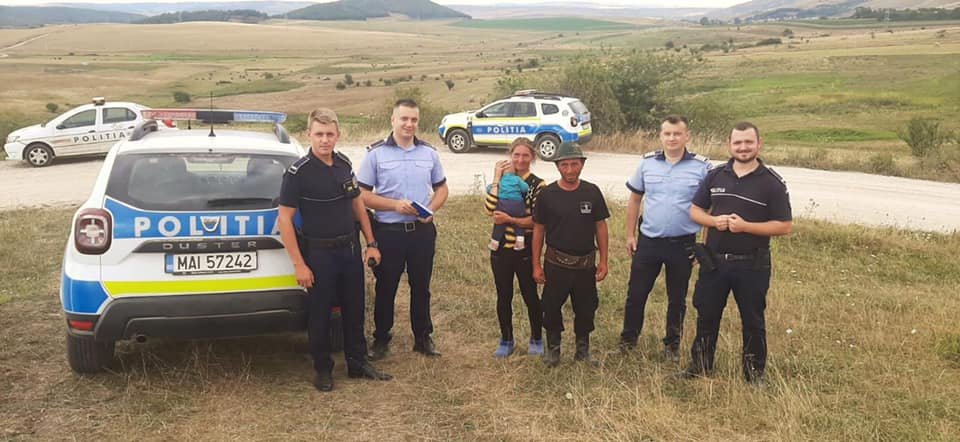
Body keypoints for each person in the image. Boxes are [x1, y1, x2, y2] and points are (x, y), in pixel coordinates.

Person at [277, 108, 392, 392]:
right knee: (320, 314)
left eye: (330, 134)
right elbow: (285, 219)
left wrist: (371, 243)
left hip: (349, 250)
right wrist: (299, 264)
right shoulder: (297, 173)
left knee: (355, 308)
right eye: (319, 134)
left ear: (338, 135)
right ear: (309, 135)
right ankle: (323, 369)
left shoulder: (343, 163)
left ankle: (357, 363)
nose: (325, 140)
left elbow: (357, 203)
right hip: (319, 254)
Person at [682, 122, 792, 383]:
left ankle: (754, 374)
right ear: (729, 145)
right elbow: (695, 210)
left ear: (759, 144)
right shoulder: (715, 176)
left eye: (748, 142)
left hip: (752, 264)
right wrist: (713, 221)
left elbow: (784, 225)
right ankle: (700, 366)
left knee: (753, 320)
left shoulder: (772, 183)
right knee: (707, 315)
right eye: (738, 142)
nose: (743, 147)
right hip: (714, 263)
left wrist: (746, 227)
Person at [357, 99, 449, 360]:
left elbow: (442, 188)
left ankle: (423, 337)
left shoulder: (429, 153)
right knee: (387, 287)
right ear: (393, 120)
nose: (409, 124)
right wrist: (394, 205)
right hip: (389, 233)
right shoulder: (375, 154)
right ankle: (381, 338)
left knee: (421, 286)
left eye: (414, 120)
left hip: (421, 233)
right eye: (404, 119)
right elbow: (362, 195)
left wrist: (431, 209)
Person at [620, 115, 712, 362]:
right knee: (636, 294)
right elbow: (635, 199)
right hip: (649, 241)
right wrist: (630, 235)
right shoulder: (647, 164)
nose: (672, 138)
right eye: (667, 133)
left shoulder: (702, 168)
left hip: (683, 243)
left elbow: (709, 209)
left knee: (677, 298)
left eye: (677, 133)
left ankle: (672, 345)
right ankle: (628, 341)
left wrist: (704, 244)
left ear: (686, 136)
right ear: (660, 136)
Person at [532, 141, 610, 367]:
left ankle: (582, 351)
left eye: (574, 164)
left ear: (582, 164)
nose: (569, 170)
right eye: (564, 165)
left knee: (586, 308)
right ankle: (553, 350)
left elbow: (600, 227)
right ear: (557, 166)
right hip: (556, 264)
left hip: (585, 265)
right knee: (551, 307)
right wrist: (536, 265)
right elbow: (538, 230)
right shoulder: (547, 194)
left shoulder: (592, 192)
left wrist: (604, 261)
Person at [484, 137, 546, 358]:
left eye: (525, 155)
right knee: (504, 295)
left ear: (533, 157)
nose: (520, 160)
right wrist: (495, 178)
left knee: (530, 295)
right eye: (516, 155)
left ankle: (536, 338)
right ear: (510, 156)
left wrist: (509, 219)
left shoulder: (538, 185)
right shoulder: (502, 179)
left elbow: (538, 220)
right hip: (501, 249)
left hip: (525, 248)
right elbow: (490, 210)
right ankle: (506, 339)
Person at [488, 165, 529, 251]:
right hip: (517, 204)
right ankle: (520, 242)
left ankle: (495, 242)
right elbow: (525, 188)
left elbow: (489, 189)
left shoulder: (500, 181)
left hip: (503, 204)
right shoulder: (517, 179)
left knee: (499, 223)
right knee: (519, 222)